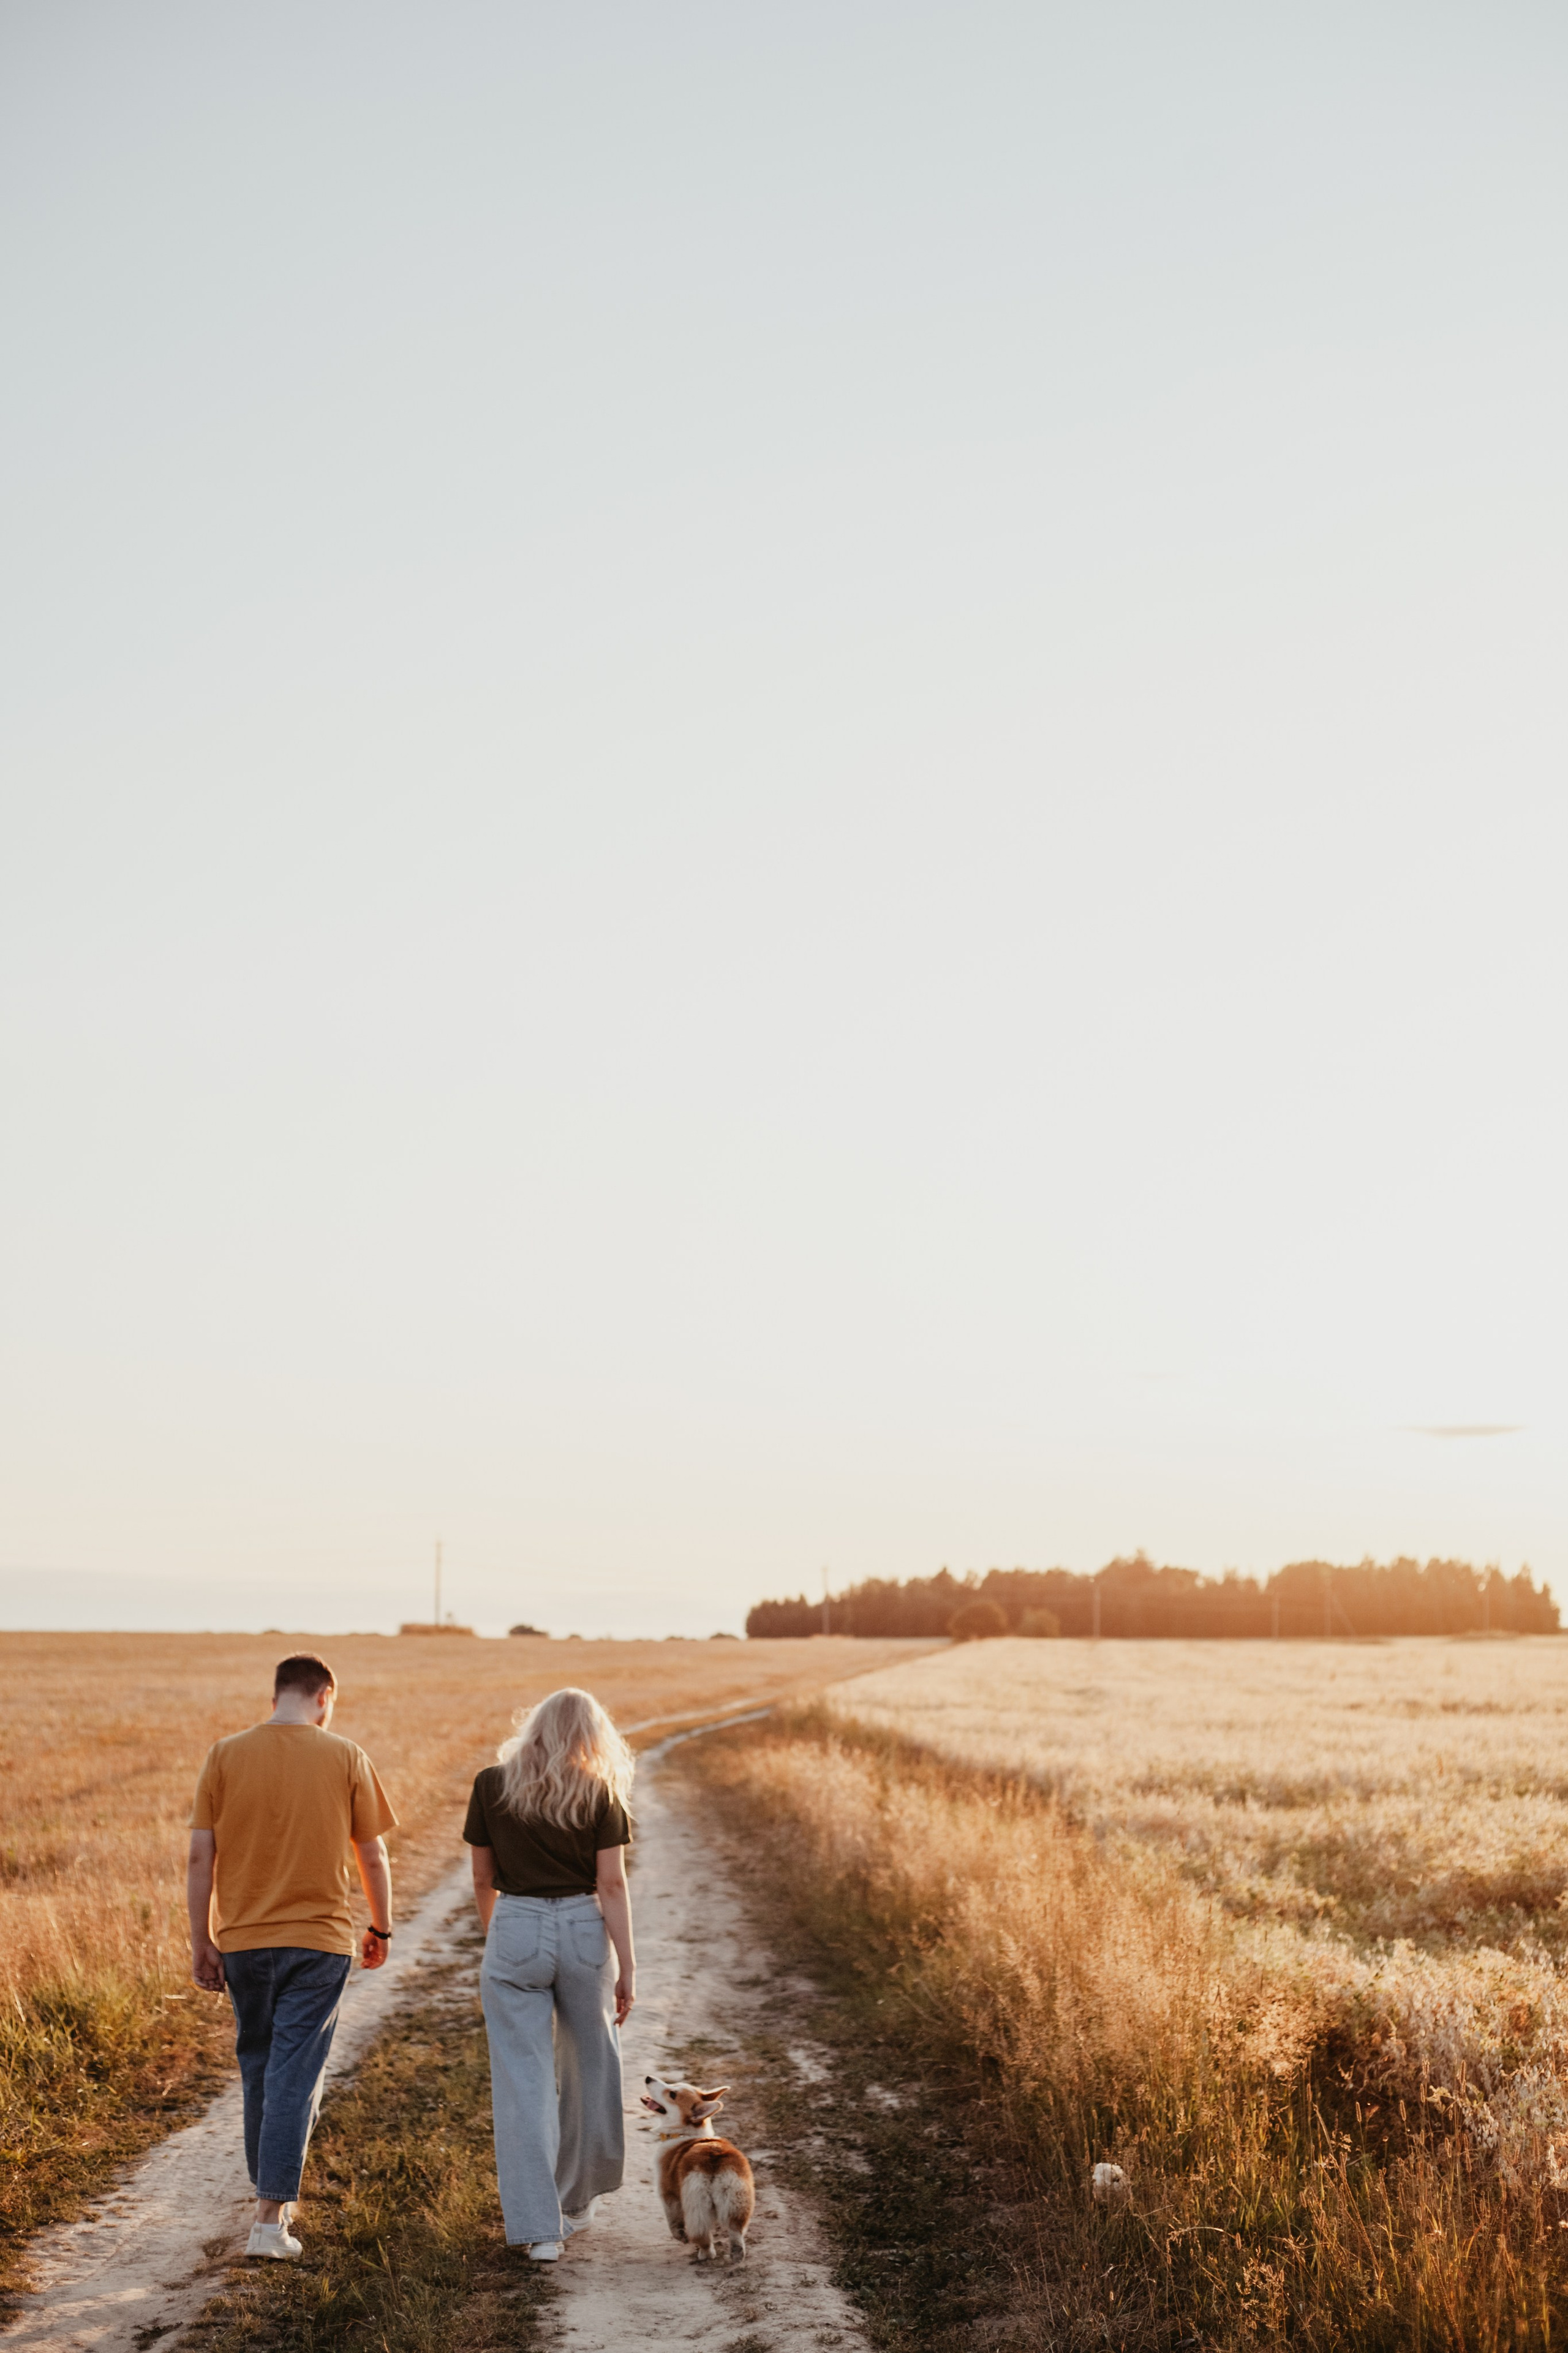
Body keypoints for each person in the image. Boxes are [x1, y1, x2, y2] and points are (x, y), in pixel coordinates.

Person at [187, 1652, 398, 2261]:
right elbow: (374, 1854)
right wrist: (380, 1927)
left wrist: (202, 1939)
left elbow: (202, 1857)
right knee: (293, 2077)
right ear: (325, 1697)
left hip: (244, 1943)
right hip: (319, 1943)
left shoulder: (224, 1754)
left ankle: (268, 2194)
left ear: (277, 1693)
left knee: (260, 2066)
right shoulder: (346, 1755)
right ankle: (268, 2218)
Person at [465, 1686, 636, 2262]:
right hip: (584, 1928)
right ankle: (577, 2201)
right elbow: (611, 1884)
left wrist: (502, 1937)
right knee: (591, 2066)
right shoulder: (599, 1790)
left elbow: (483, 1877)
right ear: (592, 1735)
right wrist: (628, 1966)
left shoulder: (492, 1784)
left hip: (515, 1922)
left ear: (535, 1727)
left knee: (523, 2081)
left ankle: (541, 2231)